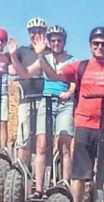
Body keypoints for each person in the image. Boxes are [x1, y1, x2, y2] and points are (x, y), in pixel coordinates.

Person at [56, 26, 104, 202]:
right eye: (96, 43)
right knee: (79, 173)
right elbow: (56, 74)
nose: (100, 47)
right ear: (90, 45)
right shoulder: (81, 66)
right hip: (84, 125)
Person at [6, 18, 52, 195]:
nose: (35, 34)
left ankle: (44, 182)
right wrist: (12, 57)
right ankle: (20, 179)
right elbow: (13, 70)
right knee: (24, 139)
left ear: (45, 32)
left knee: (44, 141)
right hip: (26, 99)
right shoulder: (22, 51)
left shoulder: (50, 52)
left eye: (39, 30)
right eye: (32, 31)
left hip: (46, 100)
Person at [32, 24, 75, 192]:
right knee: (42, 144)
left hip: (64, 103)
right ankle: (39, 189)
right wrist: (12, 57)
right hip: (47, 102)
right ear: (49, 42)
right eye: (53, 40)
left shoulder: (72, 60)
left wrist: (69, 92)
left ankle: (65, 184)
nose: (56, 43)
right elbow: (25, 72)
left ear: (64, 42)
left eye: (59, 40)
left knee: (64, 144)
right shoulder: (44, 58)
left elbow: (74, 83)